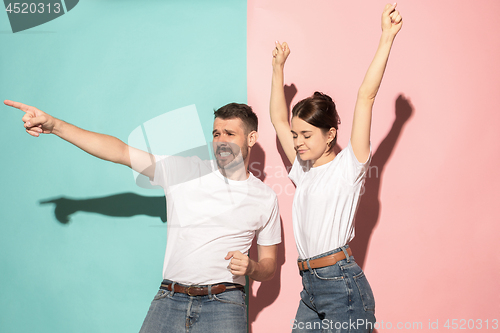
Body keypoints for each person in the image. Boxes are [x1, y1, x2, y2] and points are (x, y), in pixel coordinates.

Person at [4, 99, 281, 333]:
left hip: (225, 305)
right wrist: (55, 125)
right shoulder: (185, 171)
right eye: (216, 133)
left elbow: (269, 264)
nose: (220, 140)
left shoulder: (265, 197)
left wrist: (252, 268)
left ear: (251, 138)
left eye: (229, 134)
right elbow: (120, 152)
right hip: (170, 298)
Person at [270, 3, 402, 332]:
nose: (297, 141)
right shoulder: (303, 169)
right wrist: (277, 69)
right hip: (310, 287)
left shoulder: (350, 166)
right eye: (296, 134)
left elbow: (365, 97)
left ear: (330, 134)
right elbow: (276, 119)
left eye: (306, 134)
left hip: (341, 284)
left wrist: (386, 37)